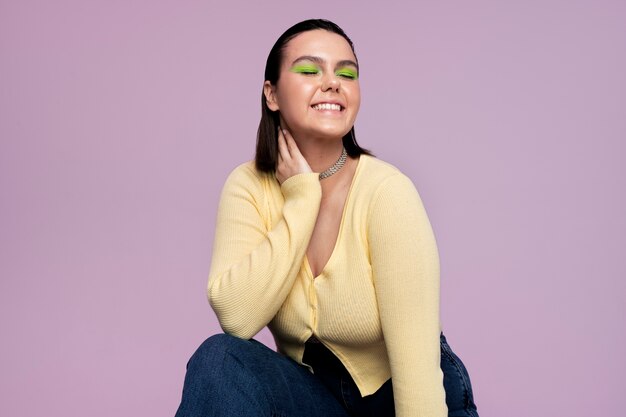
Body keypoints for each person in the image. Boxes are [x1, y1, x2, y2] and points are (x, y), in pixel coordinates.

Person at [175, 19, 479, 417]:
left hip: (407, 402)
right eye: (308, 70)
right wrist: (302, 199)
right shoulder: (247, 186)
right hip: (316, 400)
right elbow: (237, 318)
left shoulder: (387, 192)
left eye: (347, 73)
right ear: (272, 94)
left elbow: (419, 381)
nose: (333, 82)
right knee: (219, 359)